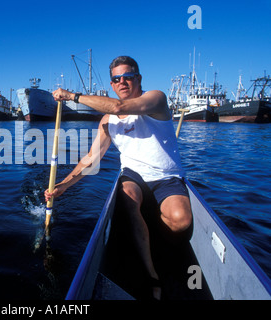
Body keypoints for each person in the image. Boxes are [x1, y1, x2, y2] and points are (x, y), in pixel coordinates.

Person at [44, 56, 192, 300]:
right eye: (116, 79)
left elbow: (119, 107)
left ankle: (157, 234)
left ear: (138, 79)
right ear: (112, 84)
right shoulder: (108, 122)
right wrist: (63, 186)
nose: (122, 82)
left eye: (128, 76)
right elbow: (90, 160)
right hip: (133, 174)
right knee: (128, 197)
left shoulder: (156, 99)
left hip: (166, 176)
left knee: (181, 221)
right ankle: (152, 274)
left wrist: (72, 96)